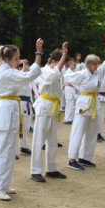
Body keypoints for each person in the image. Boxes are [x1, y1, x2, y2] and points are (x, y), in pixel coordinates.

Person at [0, 40, 45, 200]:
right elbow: (29, 76)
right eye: (16, 58)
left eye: (18, 58)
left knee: (9, 151)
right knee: (3, 151)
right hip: (5, 110)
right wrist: (38, 53)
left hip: (9, 108)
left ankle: (4, 184)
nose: (18, 61)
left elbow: (25, 75)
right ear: (7, 59)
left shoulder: (7, 69)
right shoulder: (6, 72)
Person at [67, 49, 105, 171]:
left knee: (92, 132)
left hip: (94, 103)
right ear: (89, 64)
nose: (97, 66)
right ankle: (72, 159)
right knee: (78, 131)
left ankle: (85, 157)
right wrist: (79, 88)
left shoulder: (99, 73)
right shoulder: (82, 73)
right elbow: (67, 77)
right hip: (83, 103)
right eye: (94, 64)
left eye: (97, 63)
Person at [30, 43, 68, 182]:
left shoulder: (57, 72)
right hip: (45, 106)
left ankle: (51, 169)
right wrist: (64, 55)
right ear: (53, 61)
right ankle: (35, 170)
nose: (61, 66)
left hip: (54, 107)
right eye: (60, 63)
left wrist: (63, 57)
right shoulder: (44, 71)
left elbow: (57, 75)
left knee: (52, 140)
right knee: (39, 139)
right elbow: (52, 76)